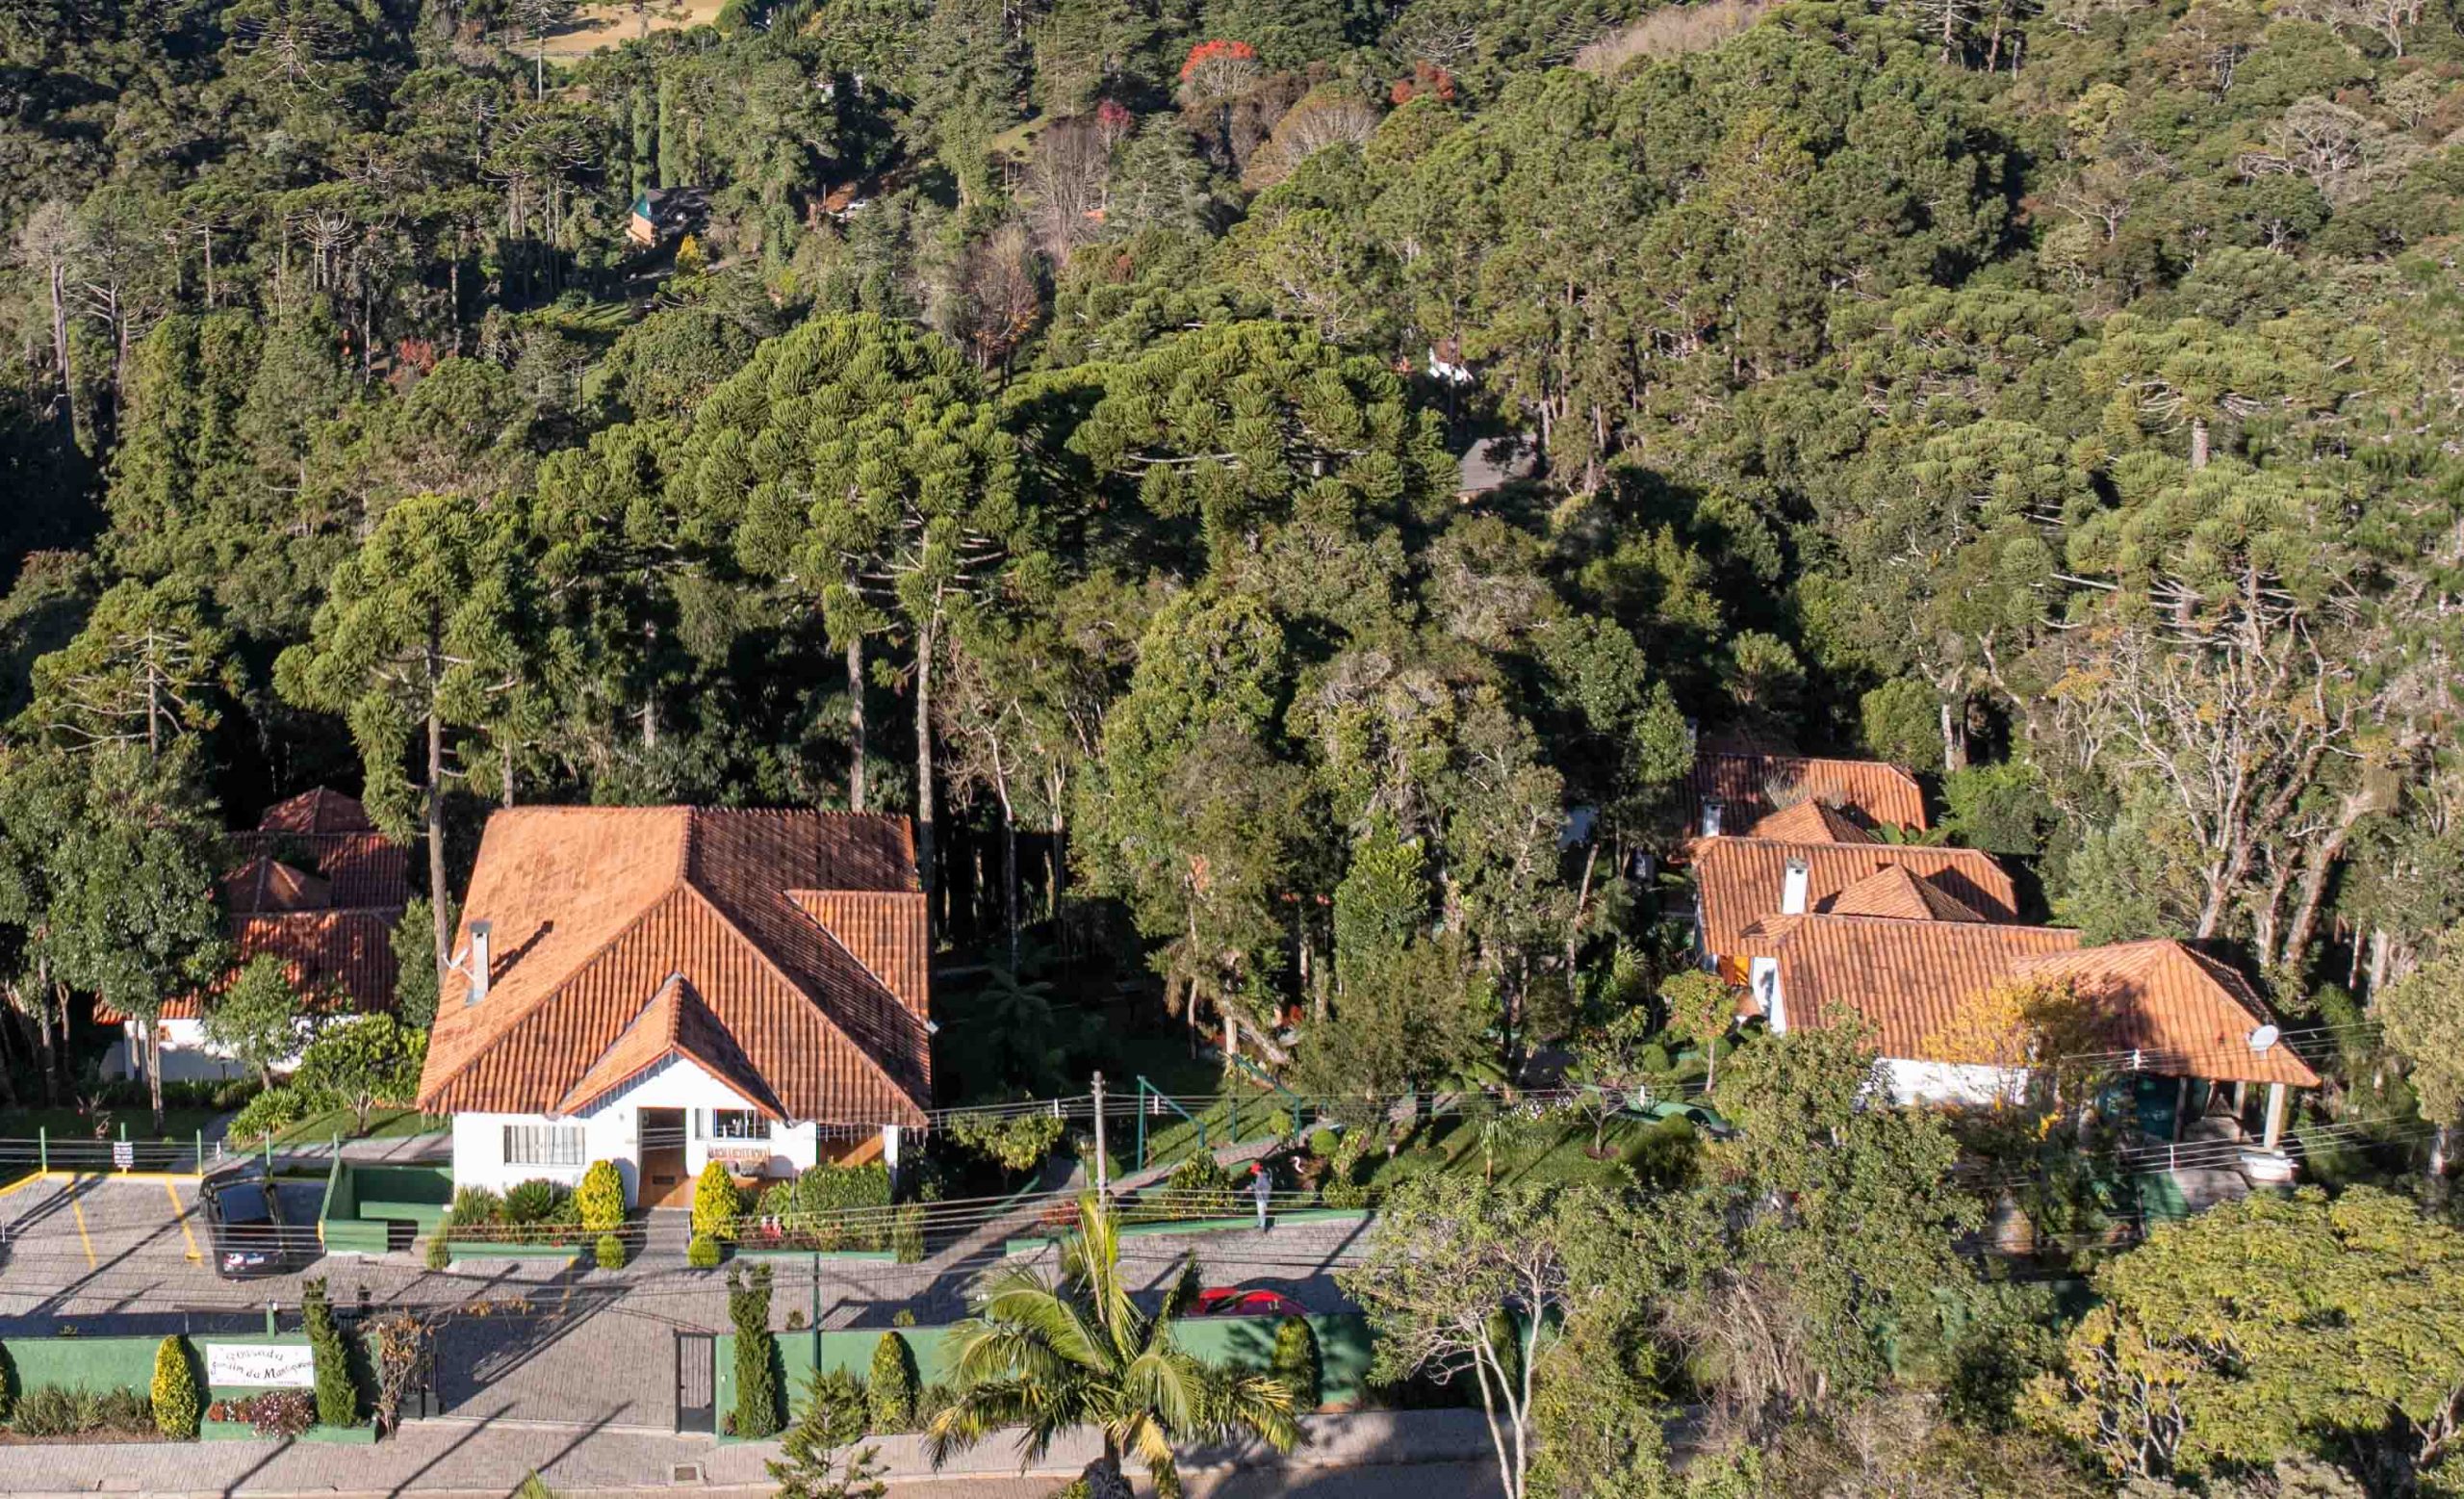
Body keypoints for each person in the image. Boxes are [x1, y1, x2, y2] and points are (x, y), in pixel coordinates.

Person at [1249, 1160, 1272, 1231]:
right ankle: (1261, 1224)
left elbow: (1268, 1188)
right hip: (1259, 1198)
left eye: (1255, 1171)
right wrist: (1253, 1186)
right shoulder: (1259, 1177)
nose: (1254, 1173)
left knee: (1262, 1212)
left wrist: (1261, 1191)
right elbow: (1258, 1187)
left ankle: (1263, 1227)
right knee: (1260, 1212)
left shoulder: (1263, 1177)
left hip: (1263, 1198)